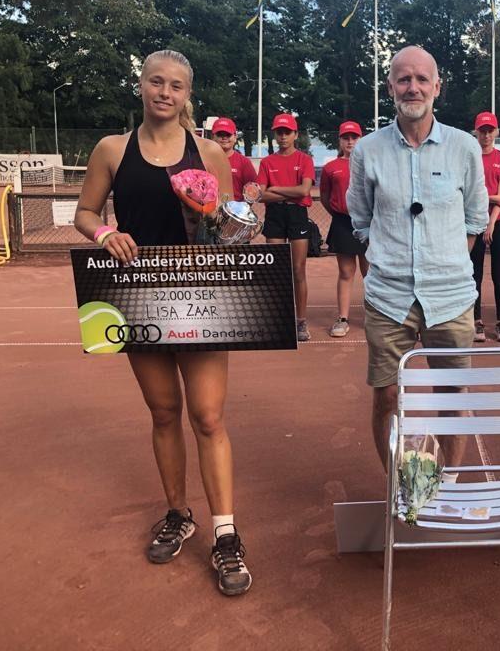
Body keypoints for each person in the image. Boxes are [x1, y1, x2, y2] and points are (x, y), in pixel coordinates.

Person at [74, 49, 252, 596]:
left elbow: (229, 224)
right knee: (163, 411)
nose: (165, 93)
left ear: (186, 94)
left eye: (176, 85)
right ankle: (179, 513)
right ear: (142, 86)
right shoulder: (111, 150)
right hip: (137, 297)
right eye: (156, 82)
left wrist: (232, 223)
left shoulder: (209, 152)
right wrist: (106, 235)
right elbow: (86, 213)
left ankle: (225, 534)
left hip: (200, 296)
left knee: (208, 416)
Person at [346, 46, 488, 472]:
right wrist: (388, 266)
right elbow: (361, 220)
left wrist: (445, 266)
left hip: (451, 300)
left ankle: (447, 483)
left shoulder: (464, 148)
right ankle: (398, 485)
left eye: (422, 79)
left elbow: (475, 218)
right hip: (388, 299)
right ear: (390, 87)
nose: (413, 87)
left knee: (451, 395)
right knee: (386, 396)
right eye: (404, 79)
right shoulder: (367, 151)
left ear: (437, 87)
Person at [256, 113, 315, 342]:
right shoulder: (267, 161)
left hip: (297, 214)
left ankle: (300, 321)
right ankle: (279, 317)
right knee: (277, 269)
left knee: (298, 269)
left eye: (287, 132)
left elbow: (304, 191)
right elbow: (261, 195)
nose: (282, 137)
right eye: (279, 132)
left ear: (295, 135)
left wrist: (276, 189)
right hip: (275, 215)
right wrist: (289, 189)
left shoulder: (304, 159)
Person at [320, 120, 368, 337]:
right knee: (346, 272)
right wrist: (340, 215)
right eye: (346, 138)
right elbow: (325, 197)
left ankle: (374, 316)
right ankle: (342, 318)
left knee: (371, 273)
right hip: (342, 223)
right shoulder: (331, 167)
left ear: (360, 138)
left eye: (354, 137)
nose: (350, 141)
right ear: (339, 140)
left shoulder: (369, 163)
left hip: (368, 223)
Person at [469, 111, 500, 342]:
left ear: (496, 132)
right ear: (476, 132)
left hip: (499, 222)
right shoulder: (470, 156)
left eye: (490, 130)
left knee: (499, 273)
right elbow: (470, 195)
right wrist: (492, 198)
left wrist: (492, 222)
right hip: (474, 221)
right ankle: (476, 321)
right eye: (482, 130)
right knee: (474, 273)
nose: (486, 135)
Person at [210, 117, 257, 202]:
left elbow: (253, 190)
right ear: (213, 137)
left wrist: (242, 208)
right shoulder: (205, 160)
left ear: (235, 137)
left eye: (228, 134)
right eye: (220, 134)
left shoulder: (244, 162)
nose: (224, 138)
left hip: (235, 211)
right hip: (209, 210)